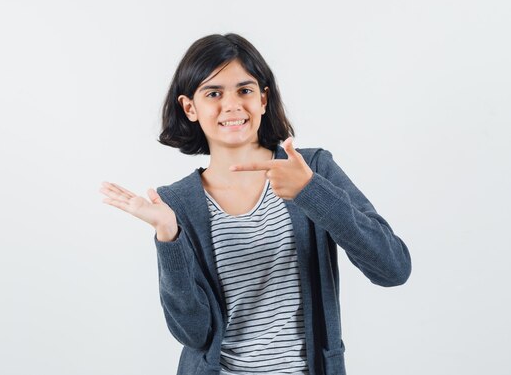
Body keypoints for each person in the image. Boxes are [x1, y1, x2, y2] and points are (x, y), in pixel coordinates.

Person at [99, 33, 411, 375]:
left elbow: (392, 268)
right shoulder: (177, 204)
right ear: (190, 107)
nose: (232, 105)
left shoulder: (312, 170)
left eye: (244, 90)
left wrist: (310, 192)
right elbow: (193, 332)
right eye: (214, 93)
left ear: (263, 99)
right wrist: (168, 236)